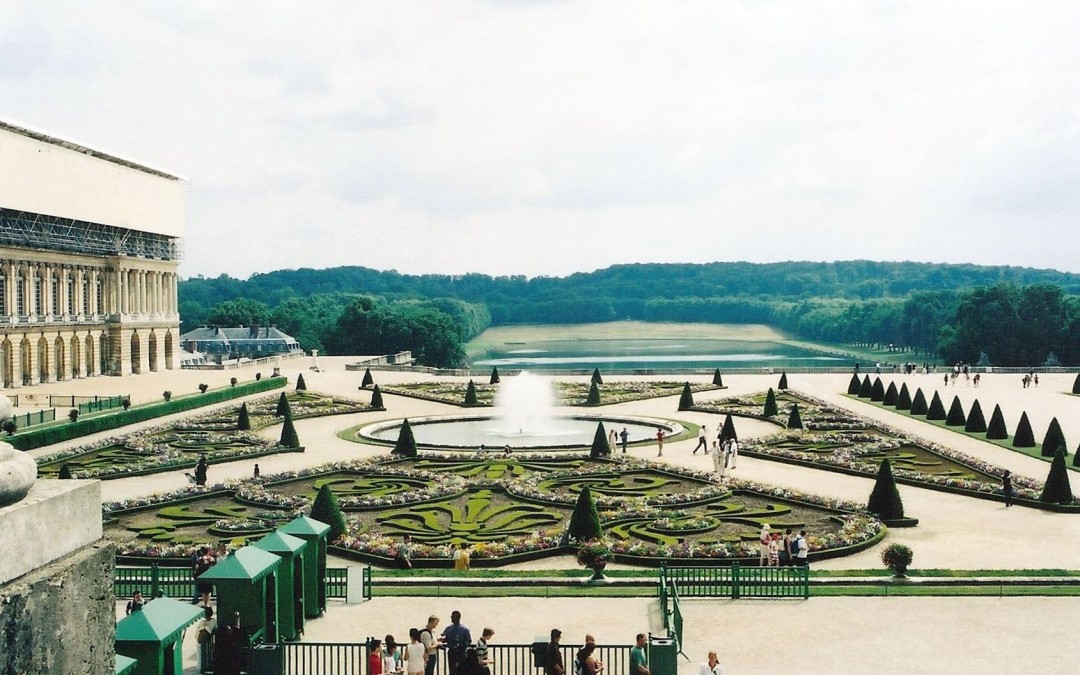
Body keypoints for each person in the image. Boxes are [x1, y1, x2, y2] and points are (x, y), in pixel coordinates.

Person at [441, 609, 472, 675]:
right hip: (452, 652)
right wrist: (442, 640)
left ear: (458, 618)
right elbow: (445, 638)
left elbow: (469, 640)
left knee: (462, 670)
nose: (452, 619)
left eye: (453, 617)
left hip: (461, 652)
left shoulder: (464, 629)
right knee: (452, 671)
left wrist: (462, 645)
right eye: (451, 617)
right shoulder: (448, 628)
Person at [195, 606, 216, 673]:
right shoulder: (202, 621)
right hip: (199, 640)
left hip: (206, 641)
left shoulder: (213, 621)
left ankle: (202, 669)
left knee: (204, 655)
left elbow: (209, 630)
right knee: (199, 655)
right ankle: (200, 668)